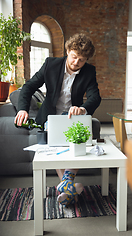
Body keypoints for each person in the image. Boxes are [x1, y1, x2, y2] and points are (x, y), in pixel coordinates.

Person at [14, 33, 101, 206]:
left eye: (82, 60)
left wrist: (82, 108)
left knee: (80, 144)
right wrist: (22, 109)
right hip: (49, 117)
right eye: (74, 57)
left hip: (73, 118)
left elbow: (95, 97)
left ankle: (66, 187)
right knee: (54, 146)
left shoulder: (89, 71)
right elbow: (29, 86)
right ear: (68, 51)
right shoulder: (50, 64)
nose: (77, 63)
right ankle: (70, 188)